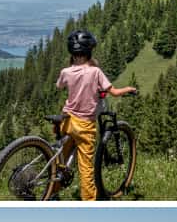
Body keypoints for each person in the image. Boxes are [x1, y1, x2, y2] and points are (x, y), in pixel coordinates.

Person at [56, 30, 136, 201]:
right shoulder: (95, 72)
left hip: (67, 120)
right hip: (85, 125)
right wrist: (128, 89)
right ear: (89, 51)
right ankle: (89, 201)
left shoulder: (66, 72)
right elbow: (113, 92)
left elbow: (59, 86)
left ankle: (52, 190)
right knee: (85, 168)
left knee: (61, 158)